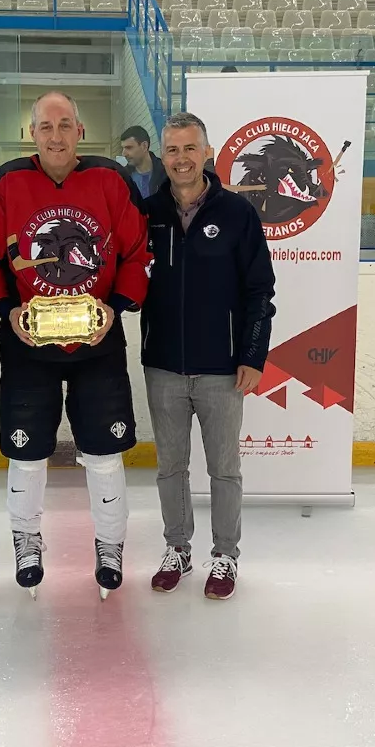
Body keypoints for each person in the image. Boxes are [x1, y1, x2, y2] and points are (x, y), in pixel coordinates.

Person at [0, 91, 152, 601]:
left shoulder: (110, 180)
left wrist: (115, 307)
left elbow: (138, 253)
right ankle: (27, 541)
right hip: (27, 346)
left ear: (80, 131)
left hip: (97, 344)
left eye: (65, 125)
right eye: (46, 127)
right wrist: (7, 311)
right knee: (26, 454)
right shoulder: (7, 183)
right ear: (32, 133)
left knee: (104, 453)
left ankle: (110, 544)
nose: (55, 136)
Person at [142, 112, 275, 600]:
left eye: (190, 148)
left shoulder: (237, 214)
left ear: (208, 152)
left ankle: (225, 555)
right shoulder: (147, 213)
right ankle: (177, 548)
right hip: (163, 366)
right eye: (172, 150)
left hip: (222, 368)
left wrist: (253, 355)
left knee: (224, 468)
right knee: (170, 468)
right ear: (162, 155)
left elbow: (260, 290)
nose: (181, 158)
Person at [120, 124, 166, 198]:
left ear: (144, 146)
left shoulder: (166, 173)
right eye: (123, 148)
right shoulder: (123, 176)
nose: (124, 154)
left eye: (129, 148)